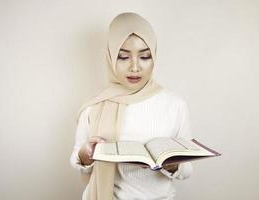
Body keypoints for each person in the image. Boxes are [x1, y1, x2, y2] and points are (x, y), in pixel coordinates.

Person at [70, 12, 193, 200]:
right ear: (111, 57)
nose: (134, 67)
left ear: (154, 57)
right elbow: (77, 159)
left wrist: (173, 165)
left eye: (144, 57)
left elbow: (187, 170)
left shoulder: (175, 105)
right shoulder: (96, 105)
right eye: (123, 56)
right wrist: (86, 154)